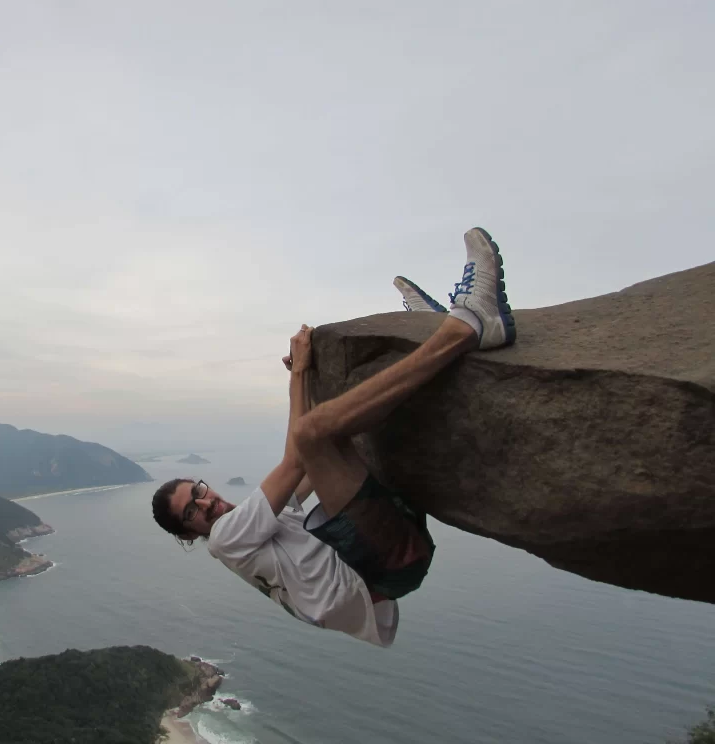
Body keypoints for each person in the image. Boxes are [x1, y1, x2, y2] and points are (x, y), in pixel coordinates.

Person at [151, 227, 516, 647]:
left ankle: (429, 330)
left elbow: (309, 464)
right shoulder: (227, 539)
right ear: (189, 534)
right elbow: (296, 455)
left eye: (197, 490)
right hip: (385, 564)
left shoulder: (250, 529)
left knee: (342, 428)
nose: (206, 501)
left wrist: (300, 380)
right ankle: (467, 327)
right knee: (316, 430)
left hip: (385, 559)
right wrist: (301, 371)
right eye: (192, 512)